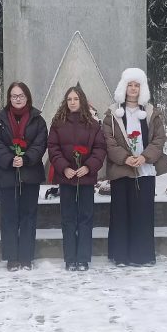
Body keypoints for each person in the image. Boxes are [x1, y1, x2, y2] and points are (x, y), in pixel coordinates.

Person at [103, 67, 167, 266]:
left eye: (137, 85)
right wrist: (125, 158)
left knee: (143, 213)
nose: (133, 89)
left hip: (145, 170)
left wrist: (144, 157)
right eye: (130, 85)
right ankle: (120, 256)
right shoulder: (112, 114)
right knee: (121, 213)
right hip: (121, 169)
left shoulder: (151, 112)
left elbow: (159, 139)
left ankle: (142, 256)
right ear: (123, 87)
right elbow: (108, 141)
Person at [0, 82, 47, 271]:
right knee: (9, 217)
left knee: (28, 216)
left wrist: (26, 158)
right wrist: (10, 159)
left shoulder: (38, 120)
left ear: (27, 97)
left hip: (30, 174)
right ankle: (12, 257)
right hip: (6, 175)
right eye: (14, 96)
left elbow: (40, 143)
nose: (18, 99)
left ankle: (26, 256)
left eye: (21, 95)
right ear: (9, 98)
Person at [47, 87, 107, 271]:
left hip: (86, 179)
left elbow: (100, 149)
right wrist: (64, 167)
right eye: (69, 99)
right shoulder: (58, 123)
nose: (72, 102)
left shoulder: (93, 125)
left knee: (85, 218)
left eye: (75, 99)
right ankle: (70, 258)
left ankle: (83, 258)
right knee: (68, 218)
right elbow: (53, 148)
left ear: (82, 101)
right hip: (66, 179)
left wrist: (88, 167)